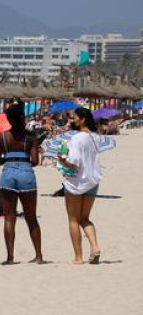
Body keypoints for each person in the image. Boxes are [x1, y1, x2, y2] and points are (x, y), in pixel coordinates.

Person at [0, 102, 43, 264]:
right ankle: (39, 256)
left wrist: (9, 159)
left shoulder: (2, 137)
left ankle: (10, 257)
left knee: (9, 218)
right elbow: (35, 161)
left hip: (8, 175)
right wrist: (23, 159)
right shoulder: (30, 137)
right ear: (22, 117)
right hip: (26, 175)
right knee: (31, 218)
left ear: (8, 119)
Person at [57, 107, 103, 264]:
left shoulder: (77, 138)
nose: (71, 120)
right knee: (85, 218)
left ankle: (78, 257)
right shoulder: (96, 137)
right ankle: (95, 247)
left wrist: (62, 159)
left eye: (73, 118)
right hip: (92, 180)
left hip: (77, 182)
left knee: (73, 219)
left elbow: (75, 163)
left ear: (82, 119)